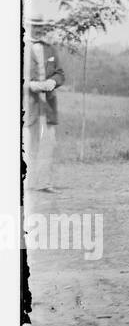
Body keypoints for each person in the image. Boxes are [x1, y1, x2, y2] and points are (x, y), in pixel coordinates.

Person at [25, 16, 64, 193]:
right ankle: (25, 183)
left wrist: (53, 82)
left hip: (47, 106)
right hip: (27, 105)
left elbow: (60, 73)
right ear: (28, 26)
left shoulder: (50, 50)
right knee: (27, 145)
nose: (38, 30)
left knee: (48, 143)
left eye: (41, 27)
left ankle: (44, 183)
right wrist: (27, 84)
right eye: (35, 26)